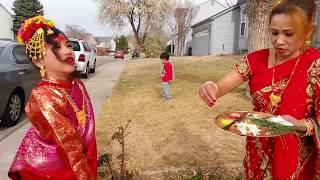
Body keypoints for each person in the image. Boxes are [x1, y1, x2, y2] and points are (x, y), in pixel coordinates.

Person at [199, 0, 320, 179]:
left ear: (308, 31)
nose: (279, 41)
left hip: (296, 161)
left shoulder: (315, 64)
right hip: (258, 153)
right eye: (274, 32)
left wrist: (298, 125)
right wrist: (211, 87)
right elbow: (220, 87)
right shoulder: (255, 60)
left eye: (288, 34)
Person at [8, 16, 97, 180]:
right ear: (39, 60)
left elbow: (86, 132)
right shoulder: (44, 96)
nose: (68, 51)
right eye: (57, 47)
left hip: (78, 162)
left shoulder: (77, 85)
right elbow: (67, 143)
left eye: (68, 45)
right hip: (50, 172)